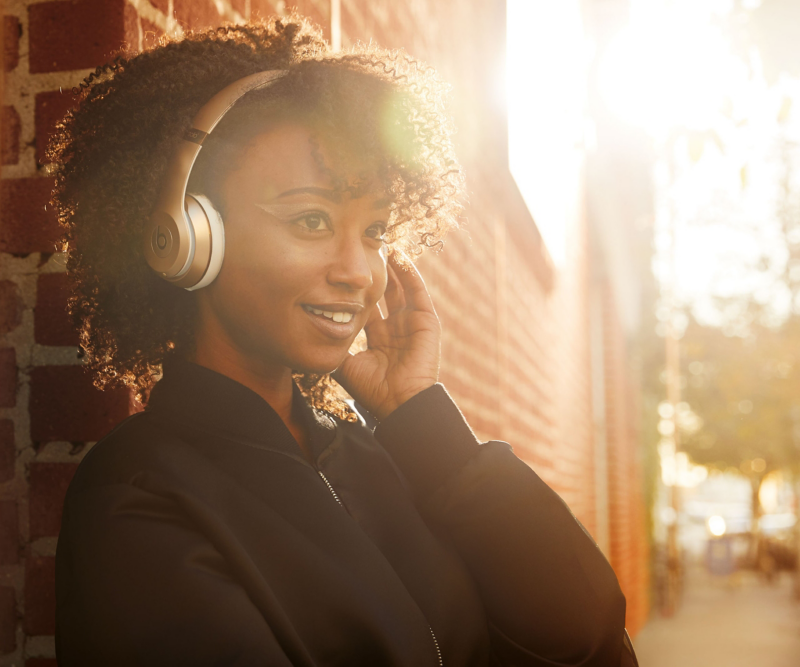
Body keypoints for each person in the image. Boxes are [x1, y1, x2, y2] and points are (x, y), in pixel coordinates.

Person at [50, 14, 638, 667]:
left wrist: (425, 425)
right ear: (191, 237)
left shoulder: (374, 454)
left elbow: (592, 643)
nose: (358, 271)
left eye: (376, 231)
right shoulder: (139, 495)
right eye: (311, 220)